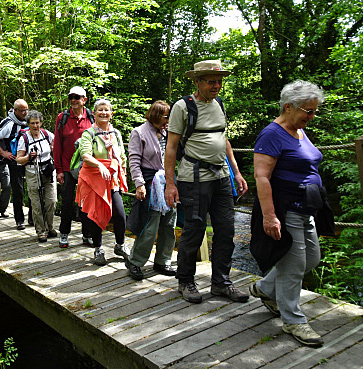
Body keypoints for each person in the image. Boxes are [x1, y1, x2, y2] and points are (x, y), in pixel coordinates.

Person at [249, 80, 333, 347]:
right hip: (286, 210)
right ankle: (293, 320)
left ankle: (264, 289)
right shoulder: (272, 134)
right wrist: (269, 216)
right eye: (308, 111)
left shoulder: (299, 130)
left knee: (312, 259)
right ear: (289, 107)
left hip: (307, 209)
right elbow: (262, 177)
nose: (312, 116)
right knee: (294, 266)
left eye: (314, 110)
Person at [164, 60, 249, 304]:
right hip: (194, 179)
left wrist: (237, 172)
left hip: (222, 177)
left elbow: (224, 139)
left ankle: (221, 283)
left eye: (219, 81)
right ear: (197, 82)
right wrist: (171, 184)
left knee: (226, 230)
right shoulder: (183, 107)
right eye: (211, 81)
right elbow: (171, 148)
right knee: (194, 229)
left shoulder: (219, 104)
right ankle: (186, 281)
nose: (217, 85)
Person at [126, 101, 177, 280]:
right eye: (166, 117)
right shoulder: (138, 133)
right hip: (149, 182)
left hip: (168, 181)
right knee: (150, 224)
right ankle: (136, 262)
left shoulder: (168, 132)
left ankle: (163, 261)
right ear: (156, 115)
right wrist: (139, 184)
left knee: (169, 223)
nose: (168, 120)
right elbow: (133, 161)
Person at [75, 99, 129, 266]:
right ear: (94, 113)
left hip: (112, 180)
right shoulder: (88, 133)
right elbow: (85, 155)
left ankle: (120, 245)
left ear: (111, 114)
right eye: (100, 110)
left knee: (119, 214)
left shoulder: (116, 134)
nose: (104, 113)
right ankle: (98, 248)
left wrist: (123, 172)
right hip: (94, 180)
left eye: (107, 110)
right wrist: (100, 165)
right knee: (95, 214)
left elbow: (121, 155)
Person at [53, 86, 94, 248]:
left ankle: (87, 234)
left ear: (84, 99)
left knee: (85, 202)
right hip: (68, 168)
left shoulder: (91, 117)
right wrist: (59, 170)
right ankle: (64, 234)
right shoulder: (62, 118)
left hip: (86, 168)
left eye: (77, 97)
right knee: (67, 202)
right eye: (71, 97)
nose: (73, 100)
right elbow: (57, 144)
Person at [0, 99, 33, 230]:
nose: (25, 113)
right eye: (22, 110)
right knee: (18, 190)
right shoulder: (8, 123)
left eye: (27, 110)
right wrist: (3, 153)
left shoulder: (30, 120)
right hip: (14, 161)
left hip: (29, 159)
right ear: (15, 110)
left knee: (32, 189)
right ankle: (19, 220)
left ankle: (32, 217)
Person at [16, 111, 57, 242]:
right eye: (32, 123)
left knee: (52, 201)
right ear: (28, 124)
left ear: (41, 123)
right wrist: (28, 157)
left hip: (48, 171)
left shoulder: (46, 134)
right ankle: (41, 231)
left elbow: (57, 144)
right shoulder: (24, 138)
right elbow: (18, 160)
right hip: (33, 172)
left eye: (37, 123)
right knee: (36, 203)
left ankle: (50, 226)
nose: (35, 126)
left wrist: (53, 147)